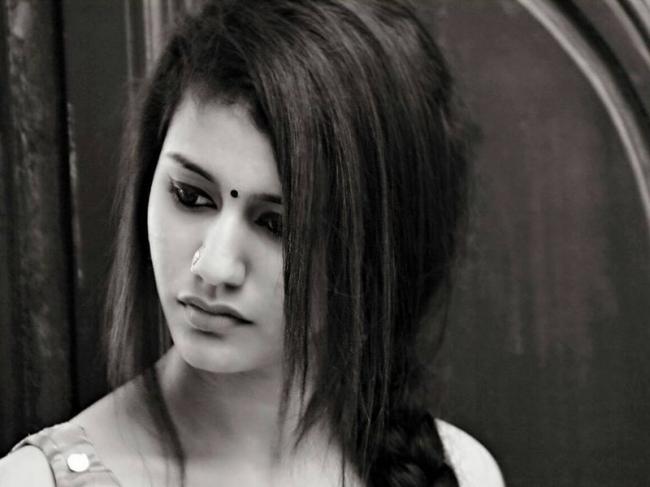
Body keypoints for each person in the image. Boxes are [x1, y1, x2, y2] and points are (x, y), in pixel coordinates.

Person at [0, 0, 504, 486]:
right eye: (190, 196)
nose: (214, 266)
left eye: (278, 226)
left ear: (375, 250)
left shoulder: (461, 472)